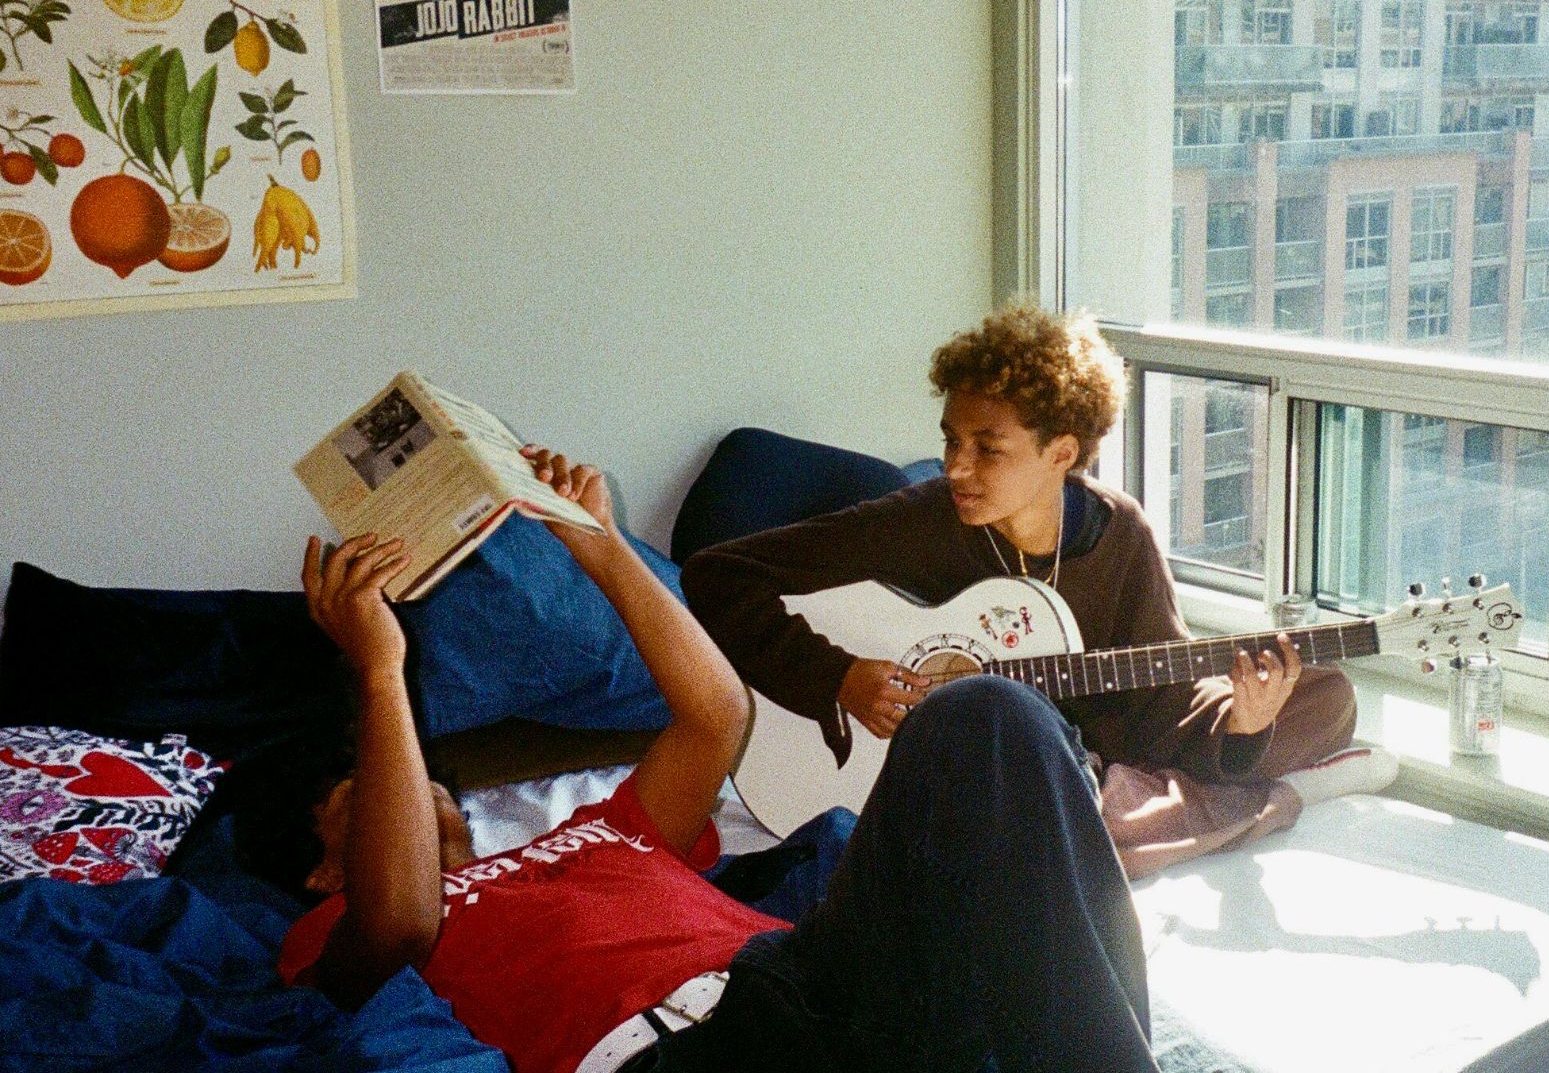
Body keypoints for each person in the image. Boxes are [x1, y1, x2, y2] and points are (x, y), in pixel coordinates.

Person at [255, 446, 1159, 1073]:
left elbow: (717, 715)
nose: (416, 790)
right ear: (324, 865)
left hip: (817, 982)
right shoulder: (335, 941)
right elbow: (403, 918)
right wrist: (381, 669)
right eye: (366, 792)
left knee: (988, 712)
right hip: (693, 1057)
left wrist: (598, 543)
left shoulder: (598, 833)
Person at [682, 306, 1358, 873]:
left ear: (1061, 452)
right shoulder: (923, 520)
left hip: (1098, 742)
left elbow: (1160, 694)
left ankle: (1139, 793)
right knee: (1046, 812)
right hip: (993, 766)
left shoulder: (1118, 532)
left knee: (1328, 697)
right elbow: (717, 574)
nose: (955, 467)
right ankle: (1167, 803)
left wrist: (1245, 723)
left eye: (987, 447)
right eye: (950, 440)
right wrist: (840, 677)